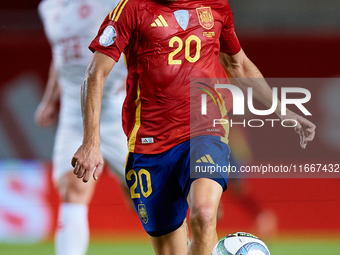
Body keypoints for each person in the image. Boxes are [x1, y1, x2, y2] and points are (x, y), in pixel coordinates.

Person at [72, 0, 316, 254]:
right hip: (151, 145)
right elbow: (95, 74)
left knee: (204, 213)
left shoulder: (216, 6)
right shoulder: (131, 9)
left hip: (206, 129)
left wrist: (283, 111)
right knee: (170, 250)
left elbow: (238, 64)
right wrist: (91, 142)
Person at [34, 0, 128, 254]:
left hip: (114, 108)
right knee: (72, 189)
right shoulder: (49, 8)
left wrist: (134, 77)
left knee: (144, 191)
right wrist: (50, 99)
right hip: (73, 113)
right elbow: (60, 54)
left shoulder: (108, 2)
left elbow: (138, 32)